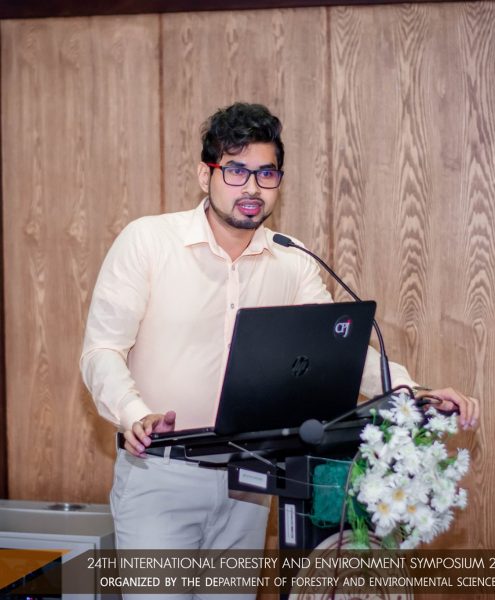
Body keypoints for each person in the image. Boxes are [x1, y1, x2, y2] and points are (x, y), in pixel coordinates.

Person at [80, 102, 479, 591]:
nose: (252, 187)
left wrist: (412, 393)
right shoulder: (148, 242)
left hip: (250, 480)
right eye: (236, 170)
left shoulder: (292, 259)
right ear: (205, 175)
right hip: (160, 475)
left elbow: (341, 353)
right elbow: (101, 350)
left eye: (266, 173)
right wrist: (133, 413)